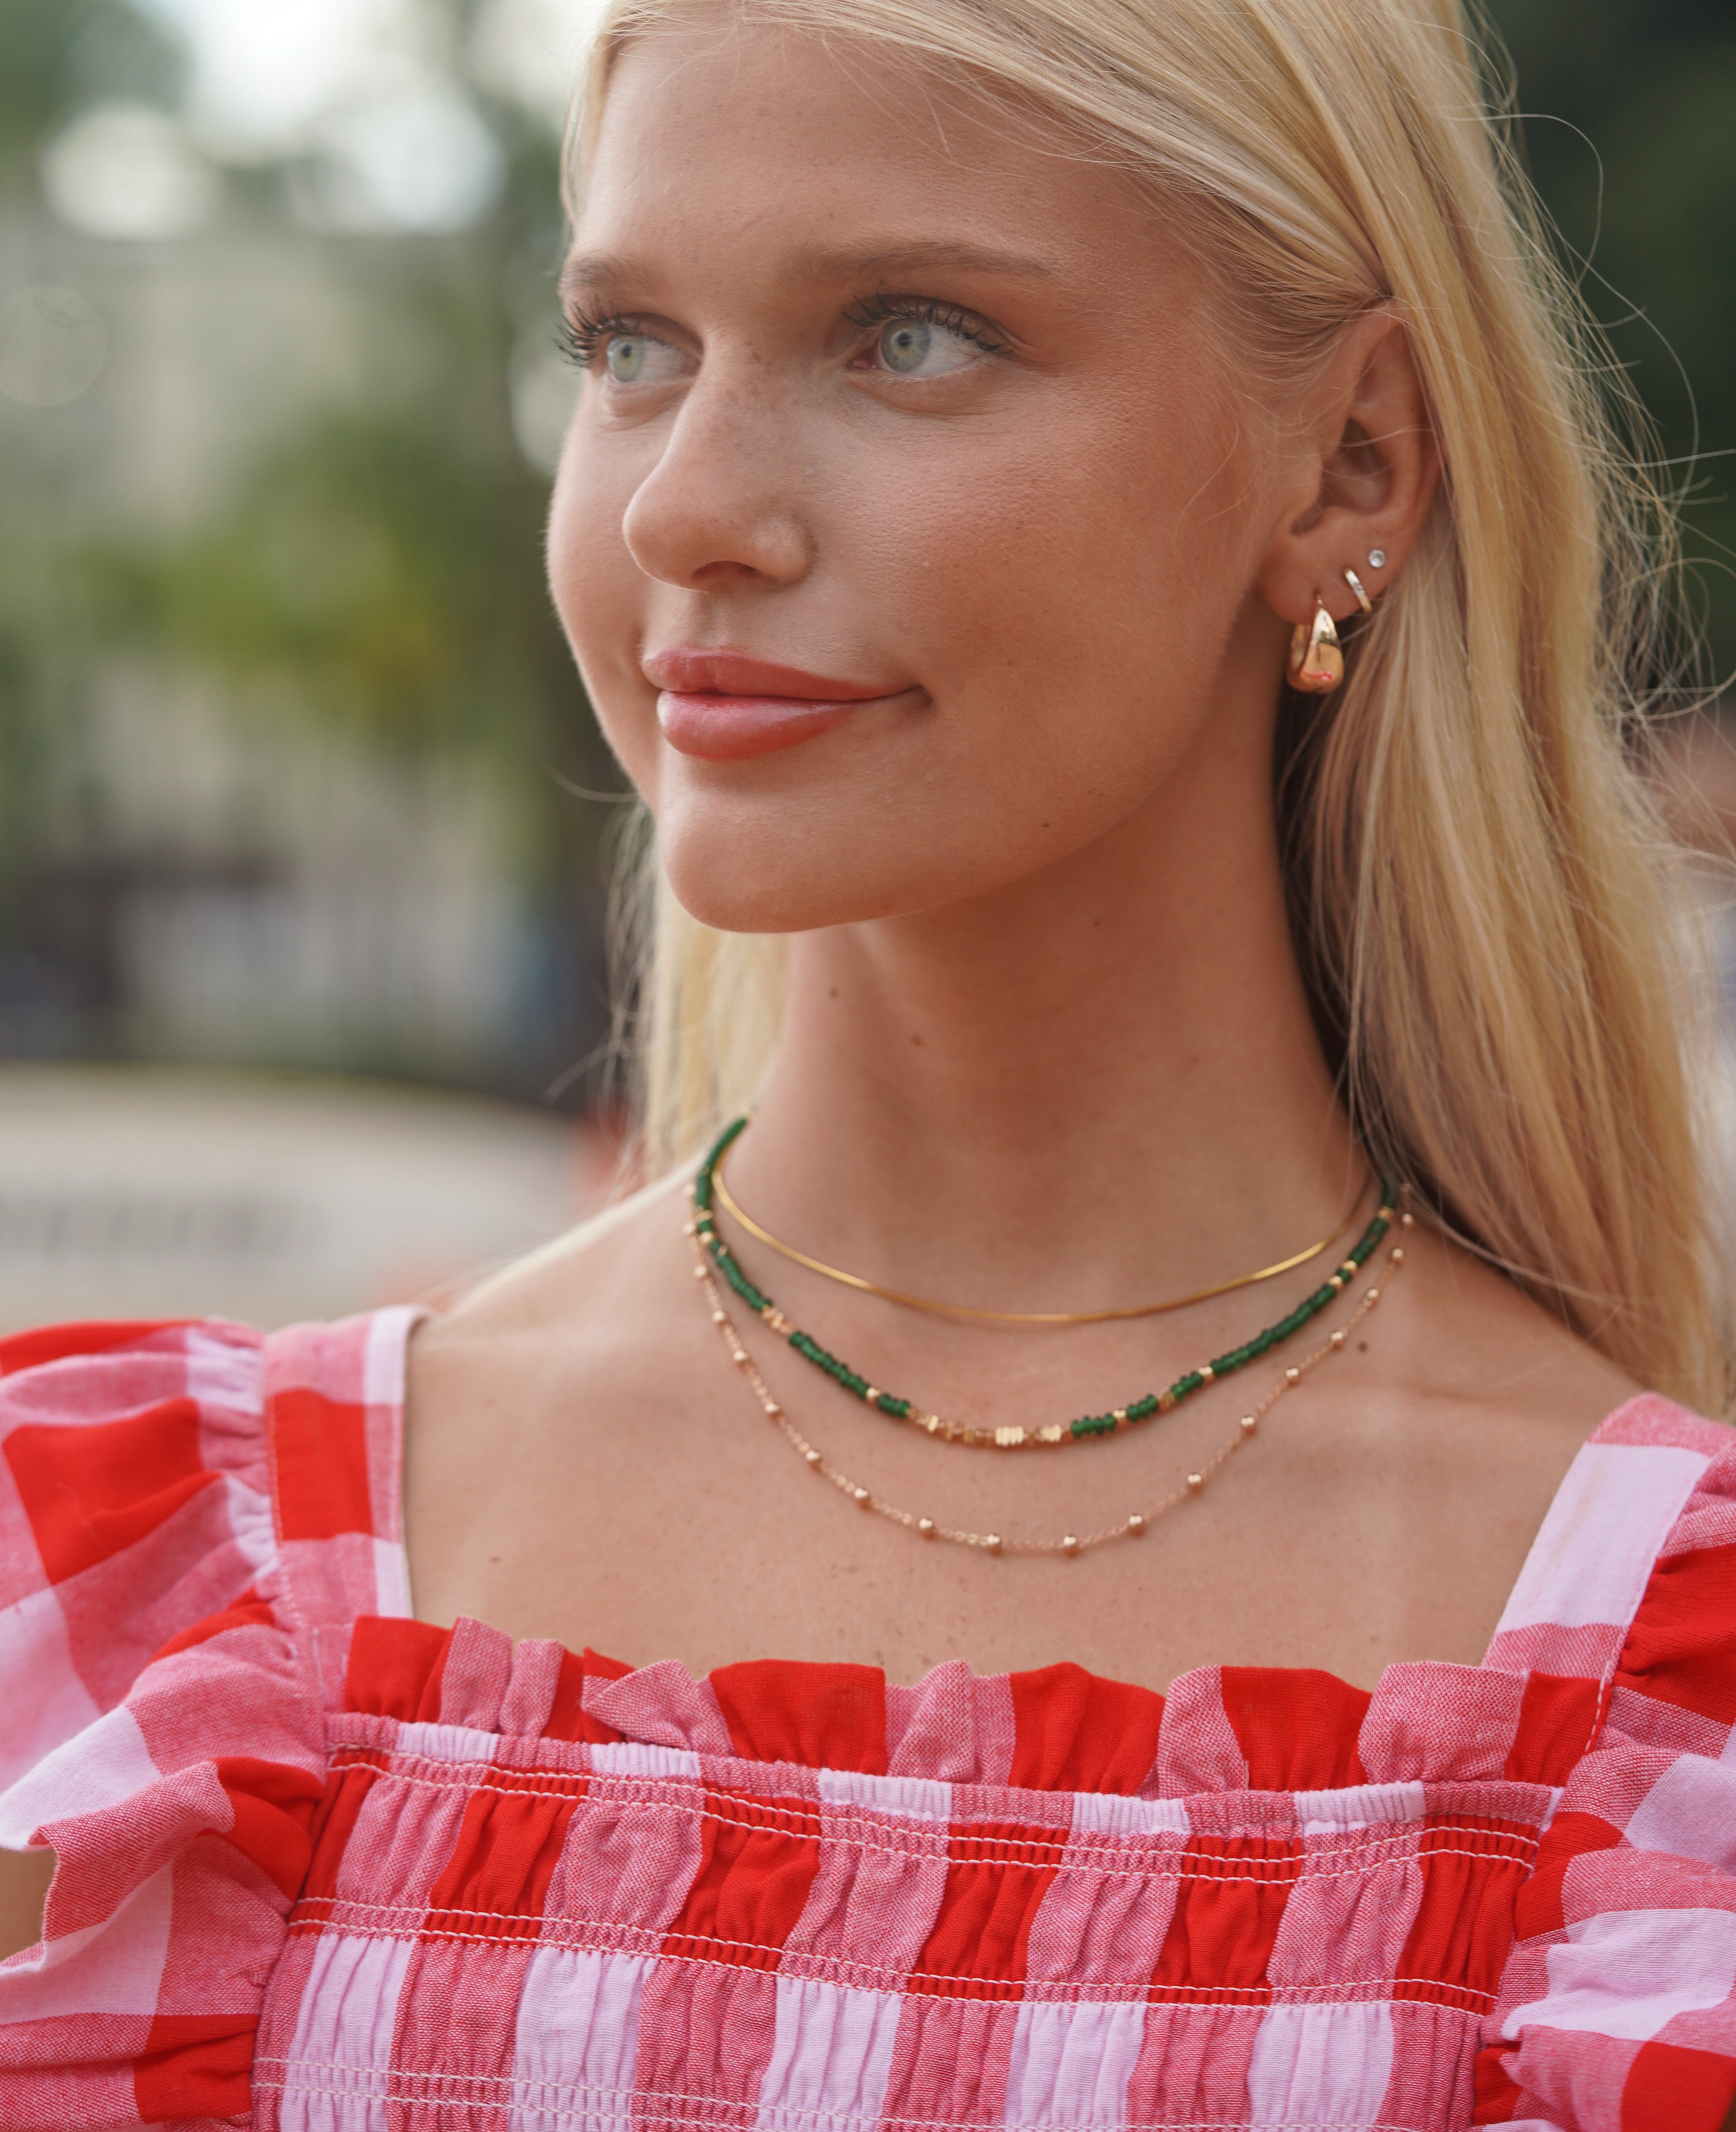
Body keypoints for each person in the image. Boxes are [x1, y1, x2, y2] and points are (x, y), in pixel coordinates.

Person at [3, 0, 1734, 2125]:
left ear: (1347, 462)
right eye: (629, 346)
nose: (685, 511)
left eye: (907, 337)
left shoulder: (1657, 1694)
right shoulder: (147, 1594)